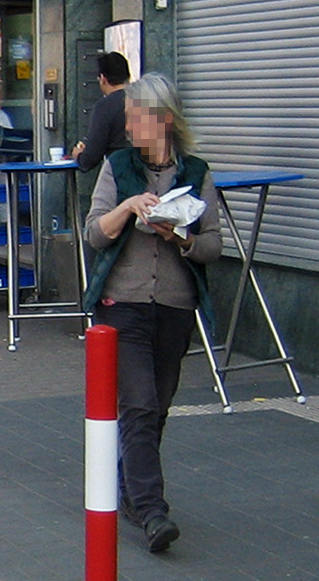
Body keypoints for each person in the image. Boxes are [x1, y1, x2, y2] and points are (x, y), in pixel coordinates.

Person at [82, 74, 222, 554]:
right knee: (138, 403)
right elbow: (94, 233)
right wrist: (126, 207)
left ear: (161, 119)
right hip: (123, 303)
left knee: (157, 407)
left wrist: (178, 237)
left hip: (175, 306)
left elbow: (212, 246)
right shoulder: (117, 166)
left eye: (135, 117)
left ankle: (129, 488)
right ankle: (153, 511)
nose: (128, 126)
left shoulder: (197, 172)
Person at [72, 51, 132, 174]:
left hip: (120, 174)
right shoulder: (146, 99)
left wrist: (79, 155)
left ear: (103, 79)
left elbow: (90, 158)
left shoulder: (105, 106)